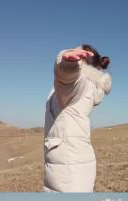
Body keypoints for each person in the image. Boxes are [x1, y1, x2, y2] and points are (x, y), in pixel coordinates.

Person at [43, 44, 112, 192]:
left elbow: (67, 80)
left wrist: (68, 64)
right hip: (73, 164)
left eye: (78, 51)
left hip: (68, 169)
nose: (73, 50)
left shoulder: (80, 86)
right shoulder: (88, 87)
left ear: (84, 63)